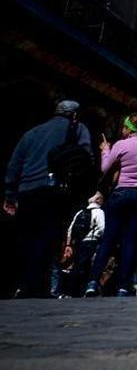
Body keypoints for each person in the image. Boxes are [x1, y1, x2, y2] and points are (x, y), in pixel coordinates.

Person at [4, 100, 96, 298]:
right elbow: (86, 158)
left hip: (27, 191)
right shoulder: (77, 129)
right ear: (75, 115)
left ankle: (19, 283)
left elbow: (14, 164)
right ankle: (34, 285)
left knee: (25, 238)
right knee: (47, 239)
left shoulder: (32, 133)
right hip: (55, 190)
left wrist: (10, 194)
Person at [86, 114, 137, 297]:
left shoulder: (121, 145)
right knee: (131, 240)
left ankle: (92, 282)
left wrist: (105, 150)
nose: (122, 131)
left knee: (109, 239)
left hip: (121, 194)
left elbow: (105, 168)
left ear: (129, 128)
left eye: (124, 128)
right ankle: (123, 286)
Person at [56, 193, 105, 297]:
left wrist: (68, 245)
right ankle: (84, 289)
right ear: (98, 200)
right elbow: (102, 228)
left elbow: (70, 229)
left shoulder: (80, 212)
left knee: (78, 266)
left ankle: (72, 290)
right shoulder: (99, 212)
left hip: (79, 243)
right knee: (89, 266)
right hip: (92, 241)